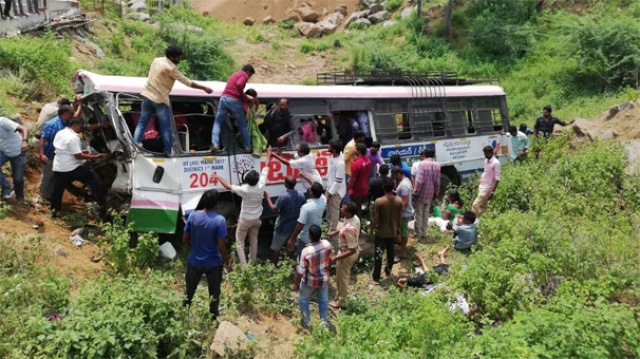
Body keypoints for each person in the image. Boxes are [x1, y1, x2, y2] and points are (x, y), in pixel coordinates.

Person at [134, 45, 212, 157]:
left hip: (147, 95)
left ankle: (136, 144)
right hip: (160, 99)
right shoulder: (171, 68)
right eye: (179, 57)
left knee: (142, 122)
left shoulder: (156, 61)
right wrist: (204, 88)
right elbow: (187, 82)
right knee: (166, 126)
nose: (180, 60)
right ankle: (167, 151)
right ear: (172, 57)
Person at [213, 153, 269, 266]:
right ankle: (252, 264)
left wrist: (218, 177)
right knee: (254, 241)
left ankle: (244, 267)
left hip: (245, 220)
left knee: (240, 243)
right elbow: (266, 166)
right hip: (257, 219)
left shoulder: (244, 189)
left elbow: (228, 186)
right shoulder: (262, 184)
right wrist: (269, 154)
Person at [182, 189, 231, 320]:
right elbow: (221, 246)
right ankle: (212, 318)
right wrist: (228, 262)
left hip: (194, 261)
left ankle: (183, 315)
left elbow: (185, 239)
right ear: (216, 203)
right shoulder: (220, 220)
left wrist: (195, 248)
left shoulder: (193, 215)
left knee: (189, 291)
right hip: (213, 263)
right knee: (214, 292)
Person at [50, 118, 109, 217]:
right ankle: (102, 205)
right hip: (71, 168)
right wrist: (94, 156)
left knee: (57, 190)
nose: (81, 129)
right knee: (93, 179)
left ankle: (54, 212)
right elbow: (77, 156)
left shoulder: (60, 133)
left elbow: (66, 149)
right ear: (75, 125)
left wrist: (82, 152)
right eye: (80, 127)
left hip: (58, 167)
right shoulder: (74, 137)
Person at [293, 224, 332, 329]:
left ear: (309, 236)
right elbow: (330, 259)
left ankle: (306, 321)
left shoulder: (306, 251)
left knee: (303, 299)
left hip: (310, 280)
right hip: (324, 278)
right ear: (320, 235)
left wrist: (296, 283)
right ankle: (323, 322)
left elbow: (301, 271)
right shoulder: (327, 244)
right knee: (323, 300)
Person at [211, 64, 255, 154]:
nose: (249, 77)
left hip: (223, 98)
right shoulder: (244, 75)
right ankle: (247, 146)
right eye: (250, 75)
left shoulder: (234, 74)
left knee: (218, 122)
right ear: (248, 71)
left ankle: (215, 144)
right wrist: (243, 96)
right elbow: (239, 84)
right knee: (242, 124)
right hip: (233, 99)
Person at [264, 176, 305, 266]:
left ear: (285, 184)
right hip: (294, 227)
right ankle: (288, 266)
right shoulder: (301, 195)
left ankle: (275, 267)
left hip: (282, 227)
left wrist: (267, 198)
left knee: (276, 248)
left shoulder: (283, 196)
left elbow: (274, 209)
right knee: (290, 247)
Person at [370, 177, 403, 284]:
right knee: (391, 253)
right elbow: (399, 218)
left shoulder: (379, 201)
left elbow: (376, 218)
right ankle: (388, 270)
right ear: (393, 187)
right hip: (392, 232)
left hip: (381, 233)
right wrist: (398, 231)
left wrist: (371, 228)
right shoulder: (398, 200)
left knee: (378, 255)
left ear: (383, 187)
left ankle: (376, 277)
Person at [327, 201, 360, 309]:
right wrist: (335, 233)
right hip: (346, 251)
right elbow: (343, 227)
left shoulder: (349, 230)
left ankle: (342, 302)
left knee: (342, 279)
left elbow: (352, 250)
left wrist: (335, 258)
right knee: (342, 276)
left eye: (343, 209)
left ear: (349, 213)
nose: (341, 209)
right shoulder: (354, 218)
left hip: (346, 255)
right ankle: (341, 296)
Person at [287, 182, 326, 260]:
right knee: (312, 257)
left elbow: (300, 225)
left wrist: (291, 239)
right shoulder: (323, 200)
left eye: (310, 189)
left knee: (302, 257)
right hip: (317, 233)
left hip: (306, 237)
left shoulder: (306, 208)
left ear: (312, 192)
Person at [0, 114, 29, 204]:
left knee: (18, 179)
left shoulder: (3, 121)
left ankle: (20, 197)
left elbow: (24, 129)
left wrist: (24, 141)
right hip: (3, 151)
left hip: (18, 151)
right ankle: (6, 186)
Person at [413, 148, 440, 240]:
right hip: (430, 192)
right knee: (426, 212)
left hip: (421, 192)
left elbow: (419, 180)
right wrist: (436, 193)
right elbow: (437, 181)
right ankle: (424, 232)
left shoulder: (422, 164)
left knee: (419, 212)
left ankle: (418, 233)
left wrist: (415, 192)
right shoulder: (437, 165)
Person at [471, 145, 500, 217]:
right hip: (482, 186)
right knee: (483, 207)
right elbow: (485, 173)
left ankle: (484, 217)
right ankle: (483, 221)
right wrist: (479, 183)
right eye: (484, 153)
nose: (485, 155)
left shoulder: (496, 163)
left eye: (486, 153)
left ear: (491, 153)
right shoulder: (486, 161)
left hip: (487, 189)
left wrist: (492, 192)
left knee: (475, 205)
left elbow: (497, 179)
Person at [392, 166, 413, 262]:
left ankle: (403, 253)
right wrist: (395, 192)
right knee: (401, 231)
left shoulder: (404, 185)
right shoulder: (406, 180)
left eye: (394, 176)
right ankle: (400, 245)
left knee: (403, 232)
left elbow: (405, 202)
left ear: (398, 174)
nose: (393, 178)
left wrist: (398, 213)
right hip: (404, 212)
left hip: (404, 213)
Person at [325, 139, 346, 233]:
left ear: (334, 149)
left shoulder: (340, 163)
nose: (327, 147)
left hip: (335, 191)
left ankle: (333, 229)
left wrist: (330, 193)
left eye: (329, 146)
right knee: (328, 209)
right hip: (330, 189)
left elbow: (338, 181)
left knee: (334, 209)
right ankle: (329, 225)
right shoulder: (333, 157)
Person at [347, 142, 371, 218]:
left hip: (357, 191)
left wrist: (348, 188)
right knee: (360, 208)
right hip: (365, 188)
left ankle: (356, 226)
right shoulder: (368, 160)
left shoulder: (356, 164)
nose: (354, 150)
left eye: (355, 148)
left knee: (355, 210)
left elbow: (352, 180)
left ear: (359, 151)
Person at [244, 88, 267, 156]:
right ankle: (256, 151)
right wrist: (250, 107)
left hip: (254, 126)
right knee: (256, 138)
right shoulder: (245, 105)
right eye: (255, 97)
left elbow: (255, 111)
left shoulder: (253, 106)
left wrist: (256, 103)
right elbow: (247, 118)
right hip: (248, 126)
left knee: (259, 138)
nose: (256, 99)